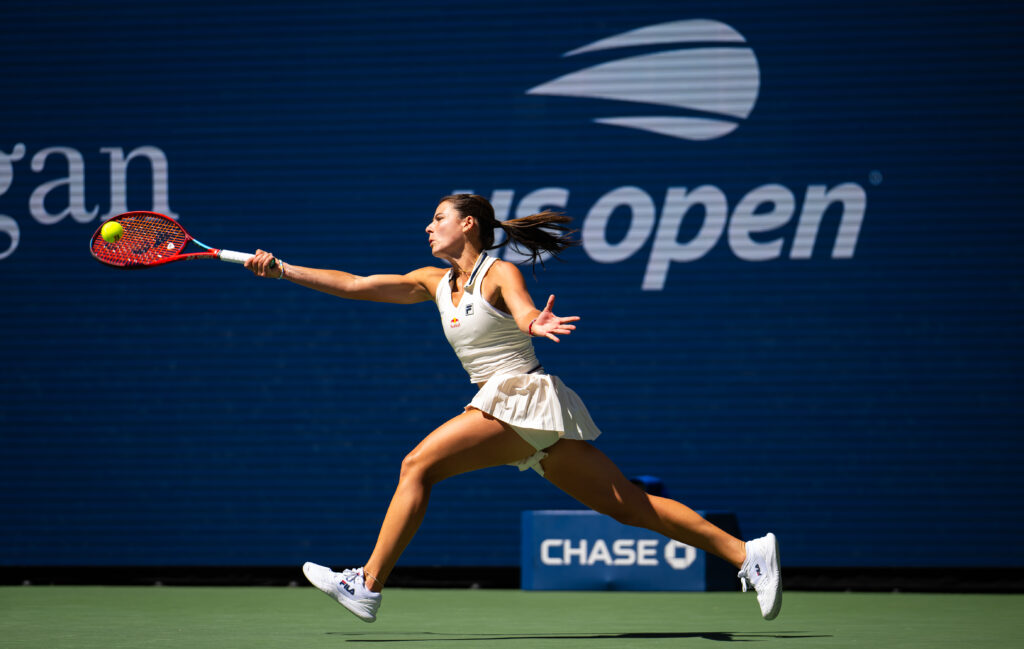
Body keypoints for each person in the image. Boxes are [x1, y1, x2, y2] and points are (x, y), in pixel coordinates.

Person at [244, 194, 781, 623]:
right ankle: (746, 554)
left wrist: (534, 324)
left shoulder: (498, 272)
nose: (428, 228)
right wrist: (283, 270)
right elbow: (357, 285)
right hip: (526, 413)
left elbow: (522, 309)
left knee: (417, 467)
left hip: (519, 397)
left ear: (470, 224)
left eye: (438, 219)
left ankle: (367, 583)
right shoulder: (433, 283)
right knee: (630, 507)